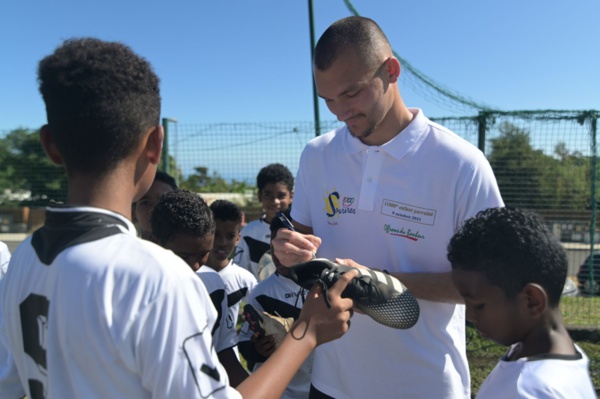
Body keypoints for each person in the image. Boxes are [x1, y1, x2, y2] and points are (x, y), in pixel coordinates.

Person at [0, 37, 356, 399]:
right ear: (155, 144)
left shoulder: (22, 260)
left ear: (50, 145)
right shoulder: (157, 277)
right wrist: (307, 332)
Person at [272, 16, 504, 399]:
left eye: (352, 93)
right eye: (328, 100)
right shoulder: (317, 155)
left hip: (424, 386)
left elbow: (491, 283)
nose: (340, 112)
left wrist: (376, 284)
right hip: (331, 383)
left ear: (391, 71)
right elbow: (297, 251)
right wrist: (285, 251)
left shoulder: (461, 164)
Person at [447, 207, 596, 398]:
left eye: (478, 305)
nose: (469, 315)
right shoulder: (550, 356)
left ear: (532, 301)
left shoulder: (530, 390)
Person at [151, 189, 249, 387]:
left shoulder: (213, 284)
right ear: (156, 241)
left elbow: (223, 351)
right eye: (185, 256)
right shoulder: (140, 290)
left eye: (203, 254)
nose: (196, 265)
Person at [238, 210, 312, 399]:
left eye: (288, 247)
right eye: (275, 247)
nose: (279, 255)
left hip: (318, 389)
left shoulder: (325, 286)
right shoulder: (262, 292)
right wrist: (258, 350)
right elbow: (245, 344)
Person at [206, 200, 258, 337]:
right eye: (216, 234)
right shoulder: (192, 273)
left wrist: (241, 337)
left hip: (228, 357)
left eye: (230, 236)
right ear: (206, 233)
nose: (222, 242)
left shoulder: (244, 278)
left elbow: (260, 315)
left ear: (237, 239)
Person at [235, 163, 294, 280]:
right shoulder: (249, 232)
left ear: (291, 196)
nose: (275, 201)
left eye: (281, 195)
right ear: (260, 196)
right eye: (268, 195)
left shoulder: (299, 229)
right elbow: (240, 270)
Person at [133, 170, 178, 241]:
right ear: (133, 214)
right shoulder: (122, 250)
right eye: (145, 203)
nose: (154, 208)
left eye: (164, 201)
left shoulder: (195, 248)